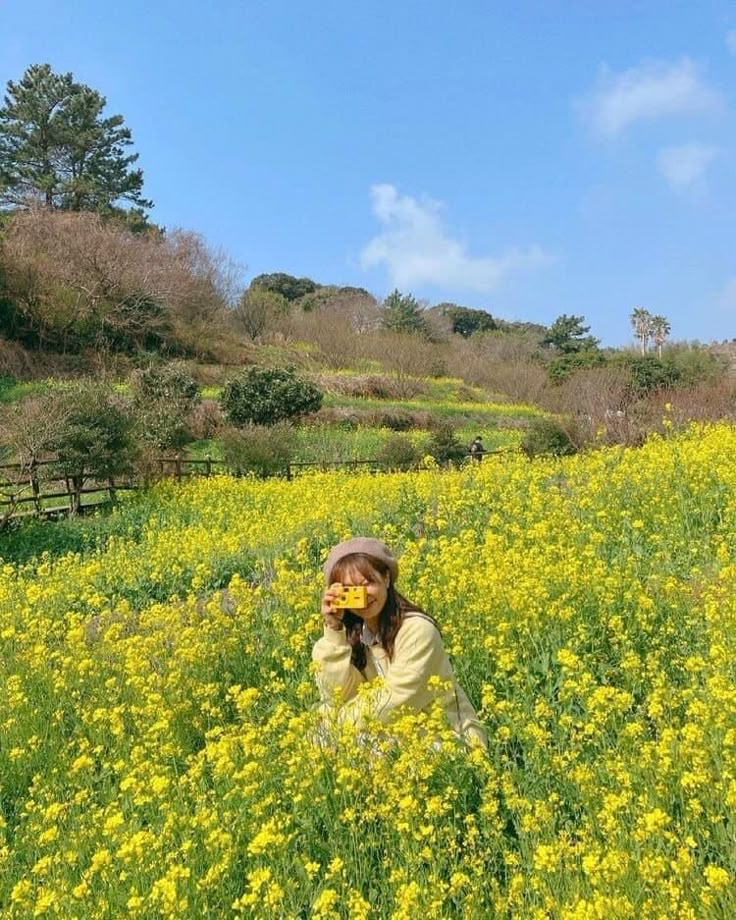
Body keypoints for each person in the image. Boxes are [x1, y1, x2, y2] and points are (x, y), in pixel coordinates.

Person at [312, 536, 488, 749]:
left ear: (386, 578)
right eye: (350, 591)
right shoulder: (358, 635)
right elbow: (336, 696)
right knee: (319, 730)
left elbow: (395, 701)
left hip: (447, 738)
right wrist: (333, 629)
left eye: (366, 584)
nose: (362, 596)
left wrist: (337, 724)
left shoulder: (417, 630)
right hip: (395, 733)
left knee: (351, 736)